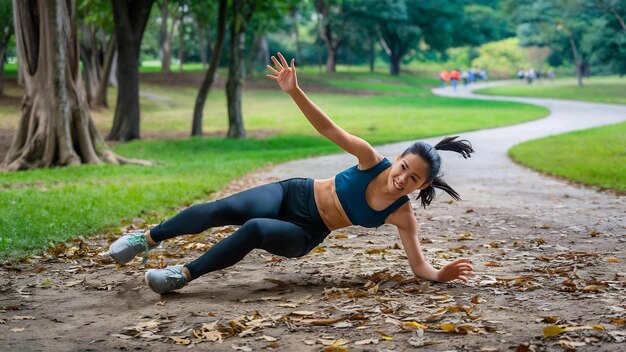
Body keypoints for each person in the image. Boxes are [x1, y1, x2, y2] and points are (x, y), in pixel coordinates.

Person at [109, 52, 476, 295]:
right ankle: (147, 238)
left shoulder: (401, 214)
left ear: (423, 185)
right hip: (293, 193)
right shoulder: (371, 159)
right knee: (223, 208)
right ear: (397, 159)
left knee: (254, 229)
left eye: (413, 179)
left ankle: (181, 276)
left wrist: (439, 274)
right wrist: (295, 91)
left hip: (307, 231)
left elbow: (419, 265)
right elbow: (330, 129)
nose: (402, 178)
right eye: (404, 168)